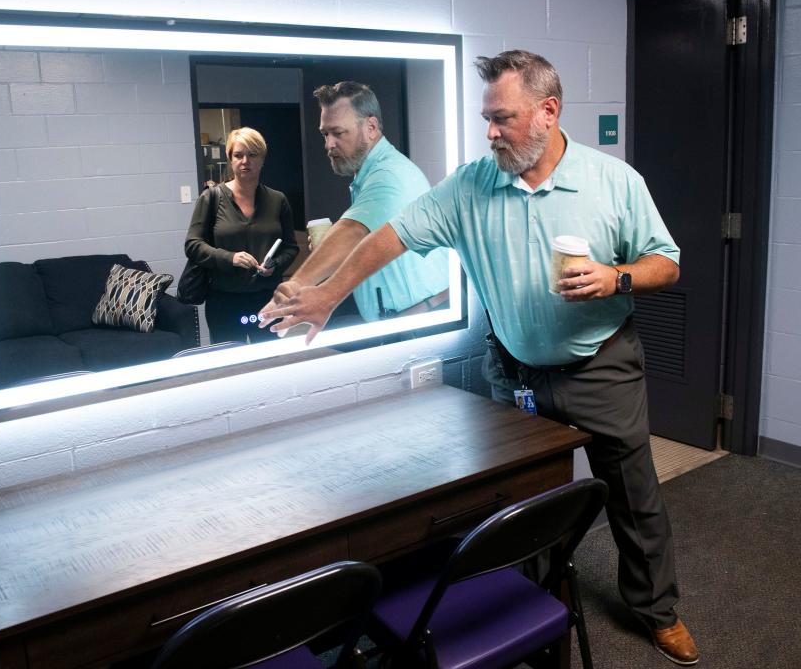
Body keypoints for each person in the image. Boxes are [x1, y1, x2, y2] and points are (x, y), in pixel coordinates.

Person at [260, 51, 700, 666]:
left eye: (504, 119)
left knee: (632, 494)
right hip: (517, 375)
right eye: (486, 119)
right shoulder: (471, 184)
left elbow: (667, 261)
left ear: (548, 112)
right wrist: (329, 295)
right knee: (531, 507)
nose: (490, 133)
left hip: (601, 366)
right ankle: (542, 606)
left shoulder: (613, 181)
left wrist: (615, 277)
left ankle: (658, 611)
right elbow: (389, 234)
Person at [259, 81, 449, 326]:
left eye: (338, 133)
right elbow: (363, 241)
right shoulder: (369, 176)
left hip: (422, 320)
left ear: (371, 127)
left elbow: (351, 231)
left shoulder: (389, 174)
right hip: (413, 317)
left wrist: (295, 285)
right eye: (325, 134)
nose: (328, 145)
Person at [184, 127, 299, 344]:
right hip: (224, 300)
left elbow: (292, 247)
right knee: (230, 367)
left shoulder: (278, 200)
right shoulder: (211, 198)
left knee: (270, 363)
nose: (245, 161)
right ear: (230, 159)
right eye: (238, 155)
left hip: (268, 299)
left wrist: (276, 264)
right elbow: (192, 244)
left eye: (252, 155)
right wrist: (231, 258)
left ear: (262, 159)